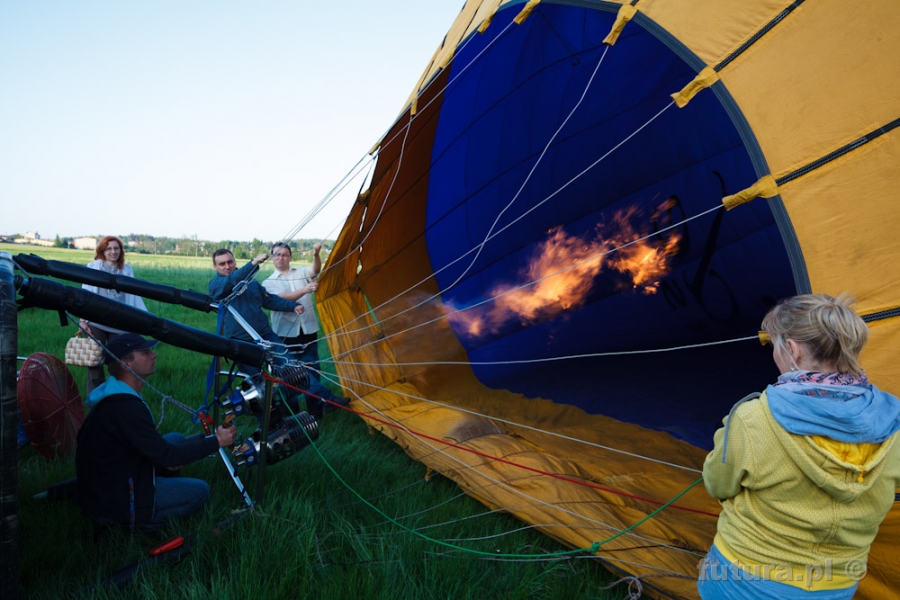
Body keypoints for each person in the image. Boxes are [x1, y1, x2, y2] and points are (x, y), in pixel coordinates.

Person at [699, 294, 900, 599]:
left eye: (775, 345)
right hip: (836, 585)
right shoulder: (894, 420)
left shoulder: (754, 417)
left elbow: (717, 485)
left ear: (791, 349)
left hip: (740, 577)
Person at [76, 334, 237, 531]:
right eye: (145, 352)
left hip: (116, 477)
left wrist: (204, 441)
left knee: (176, 439)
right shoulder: (126, 408)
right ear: (126, 364)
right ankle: (137, 523)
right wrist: (216, 441)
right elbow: (167, 456)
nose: (154, 355)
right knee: (200, 491)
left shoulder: (117, 394)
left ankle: (156, 487)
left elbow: (157, 450)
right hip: (114, 503)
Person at [262, 242, 349, 418]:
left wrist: (316, 254)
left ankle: (316, 412)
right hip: (285, 333)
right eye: (277, 254)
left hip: (308, 330)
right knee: (291, 374)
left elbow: (315, 270)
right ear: (272, 257)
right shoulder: (268, 282)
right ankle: (295, 413)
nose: (281, 257)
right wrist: (305, 289)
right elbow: (280, 299)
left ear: (290, 257)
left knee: (313, 368)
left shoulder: (301, 272)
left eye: (285, 254)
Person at [81, 235, 148, 394]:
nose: (113, 252)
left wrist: (138, 319)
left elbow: (134, 295)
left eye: (116, 248)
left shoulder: (126, 269)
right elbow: (85, 293)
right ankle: (95, 399)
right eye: (109, 248)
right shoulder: (93, 267)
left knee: (119, 363)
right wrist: (83, 321)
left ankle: (117, 397)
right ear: (102, 251)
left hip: (119, 323)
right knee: (94, 363)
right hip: (96, 322)